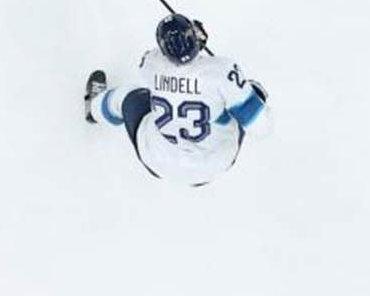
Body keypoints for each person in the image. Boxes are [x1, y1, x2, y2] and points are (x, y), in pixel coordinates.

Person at [83, 13, 267, 186]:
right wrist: (250, 95)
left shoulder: (152, 62)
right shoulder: (223, 71)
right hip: (213, 166)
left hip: (157, 160)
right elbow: (262, 128)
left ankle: (94, 108)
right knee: (248, 96)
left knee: (127, 95)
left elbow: (155, 58)